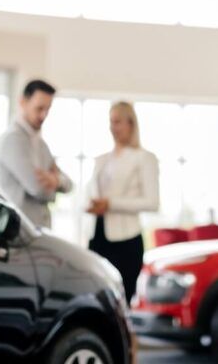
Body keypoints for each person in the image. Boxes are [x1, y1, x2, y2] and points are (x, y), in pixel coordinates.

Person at [86, 101, 159, 302]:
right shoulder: (101, 160)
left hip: (126, 241)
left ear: (131, 124)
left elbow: (152, 202)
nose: (113, 127)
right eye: (111, 122)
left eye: (118, 122)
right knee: (97, 299)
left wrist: (111, 204)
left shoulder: (144, 158)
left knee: (121, 301)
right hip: (97, 237)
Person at [0, 79, 73, 229]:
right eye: (39, 108)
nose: (44, 115)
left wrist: (56, 181)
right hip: (17, 231)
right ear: (23, 102)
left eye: (48, 109)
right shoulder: (12, 140)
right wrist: (55, 188)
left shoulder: (41, 145)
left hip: (38, 230)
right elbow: (38, 189)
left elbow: (69, 184)